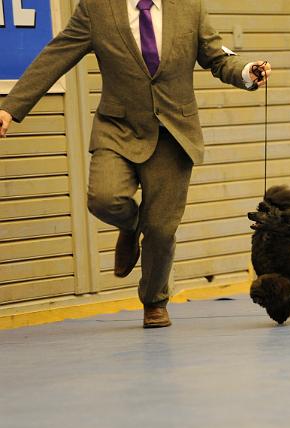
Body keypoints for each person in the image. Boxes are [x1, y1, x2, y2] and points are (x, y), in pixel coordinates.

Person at [0, 0, 271, 328]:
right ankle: (130, 226)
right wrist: (11, 108)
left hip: (173, 134)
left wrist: (246, 72)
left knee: (161, 230)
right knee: (104, 198)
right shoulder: (97, 9)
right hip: (118, 128)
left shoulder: (189, 7)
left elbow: (217, 56)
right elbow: (56, 54)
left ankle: (154, 300)